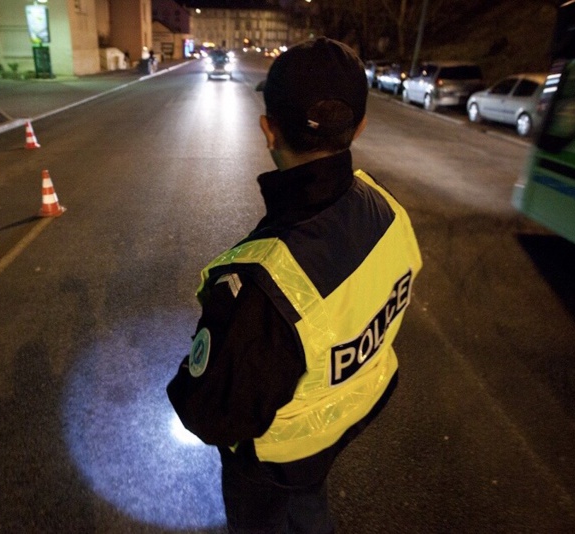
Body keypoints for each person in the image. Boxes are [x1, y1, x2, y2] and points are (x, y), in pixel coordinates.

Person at [167, 37, 423, 533]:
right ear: (360, 126)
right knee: (308, 506)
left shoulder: (262, 286)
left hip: (274, 464)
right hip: (343, 423)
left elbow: (211, 413)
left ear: (268, 129)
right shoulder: (386, 209)